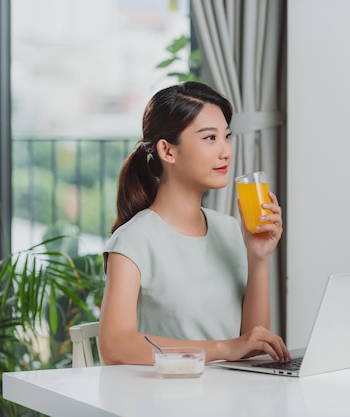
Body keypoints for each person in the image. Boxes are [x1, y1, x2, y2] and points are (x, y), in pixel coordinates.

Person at [98, 81, 290, 366]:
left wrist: (259, 258)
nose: (225, 151)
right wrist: (225, 348)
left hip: (231, 398)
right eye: (210, 138)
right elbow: (115, 346)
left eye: (226, 136)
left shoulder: (228, 229)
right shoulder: (134, 240)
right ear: (167, 151)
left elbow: (252, 345)